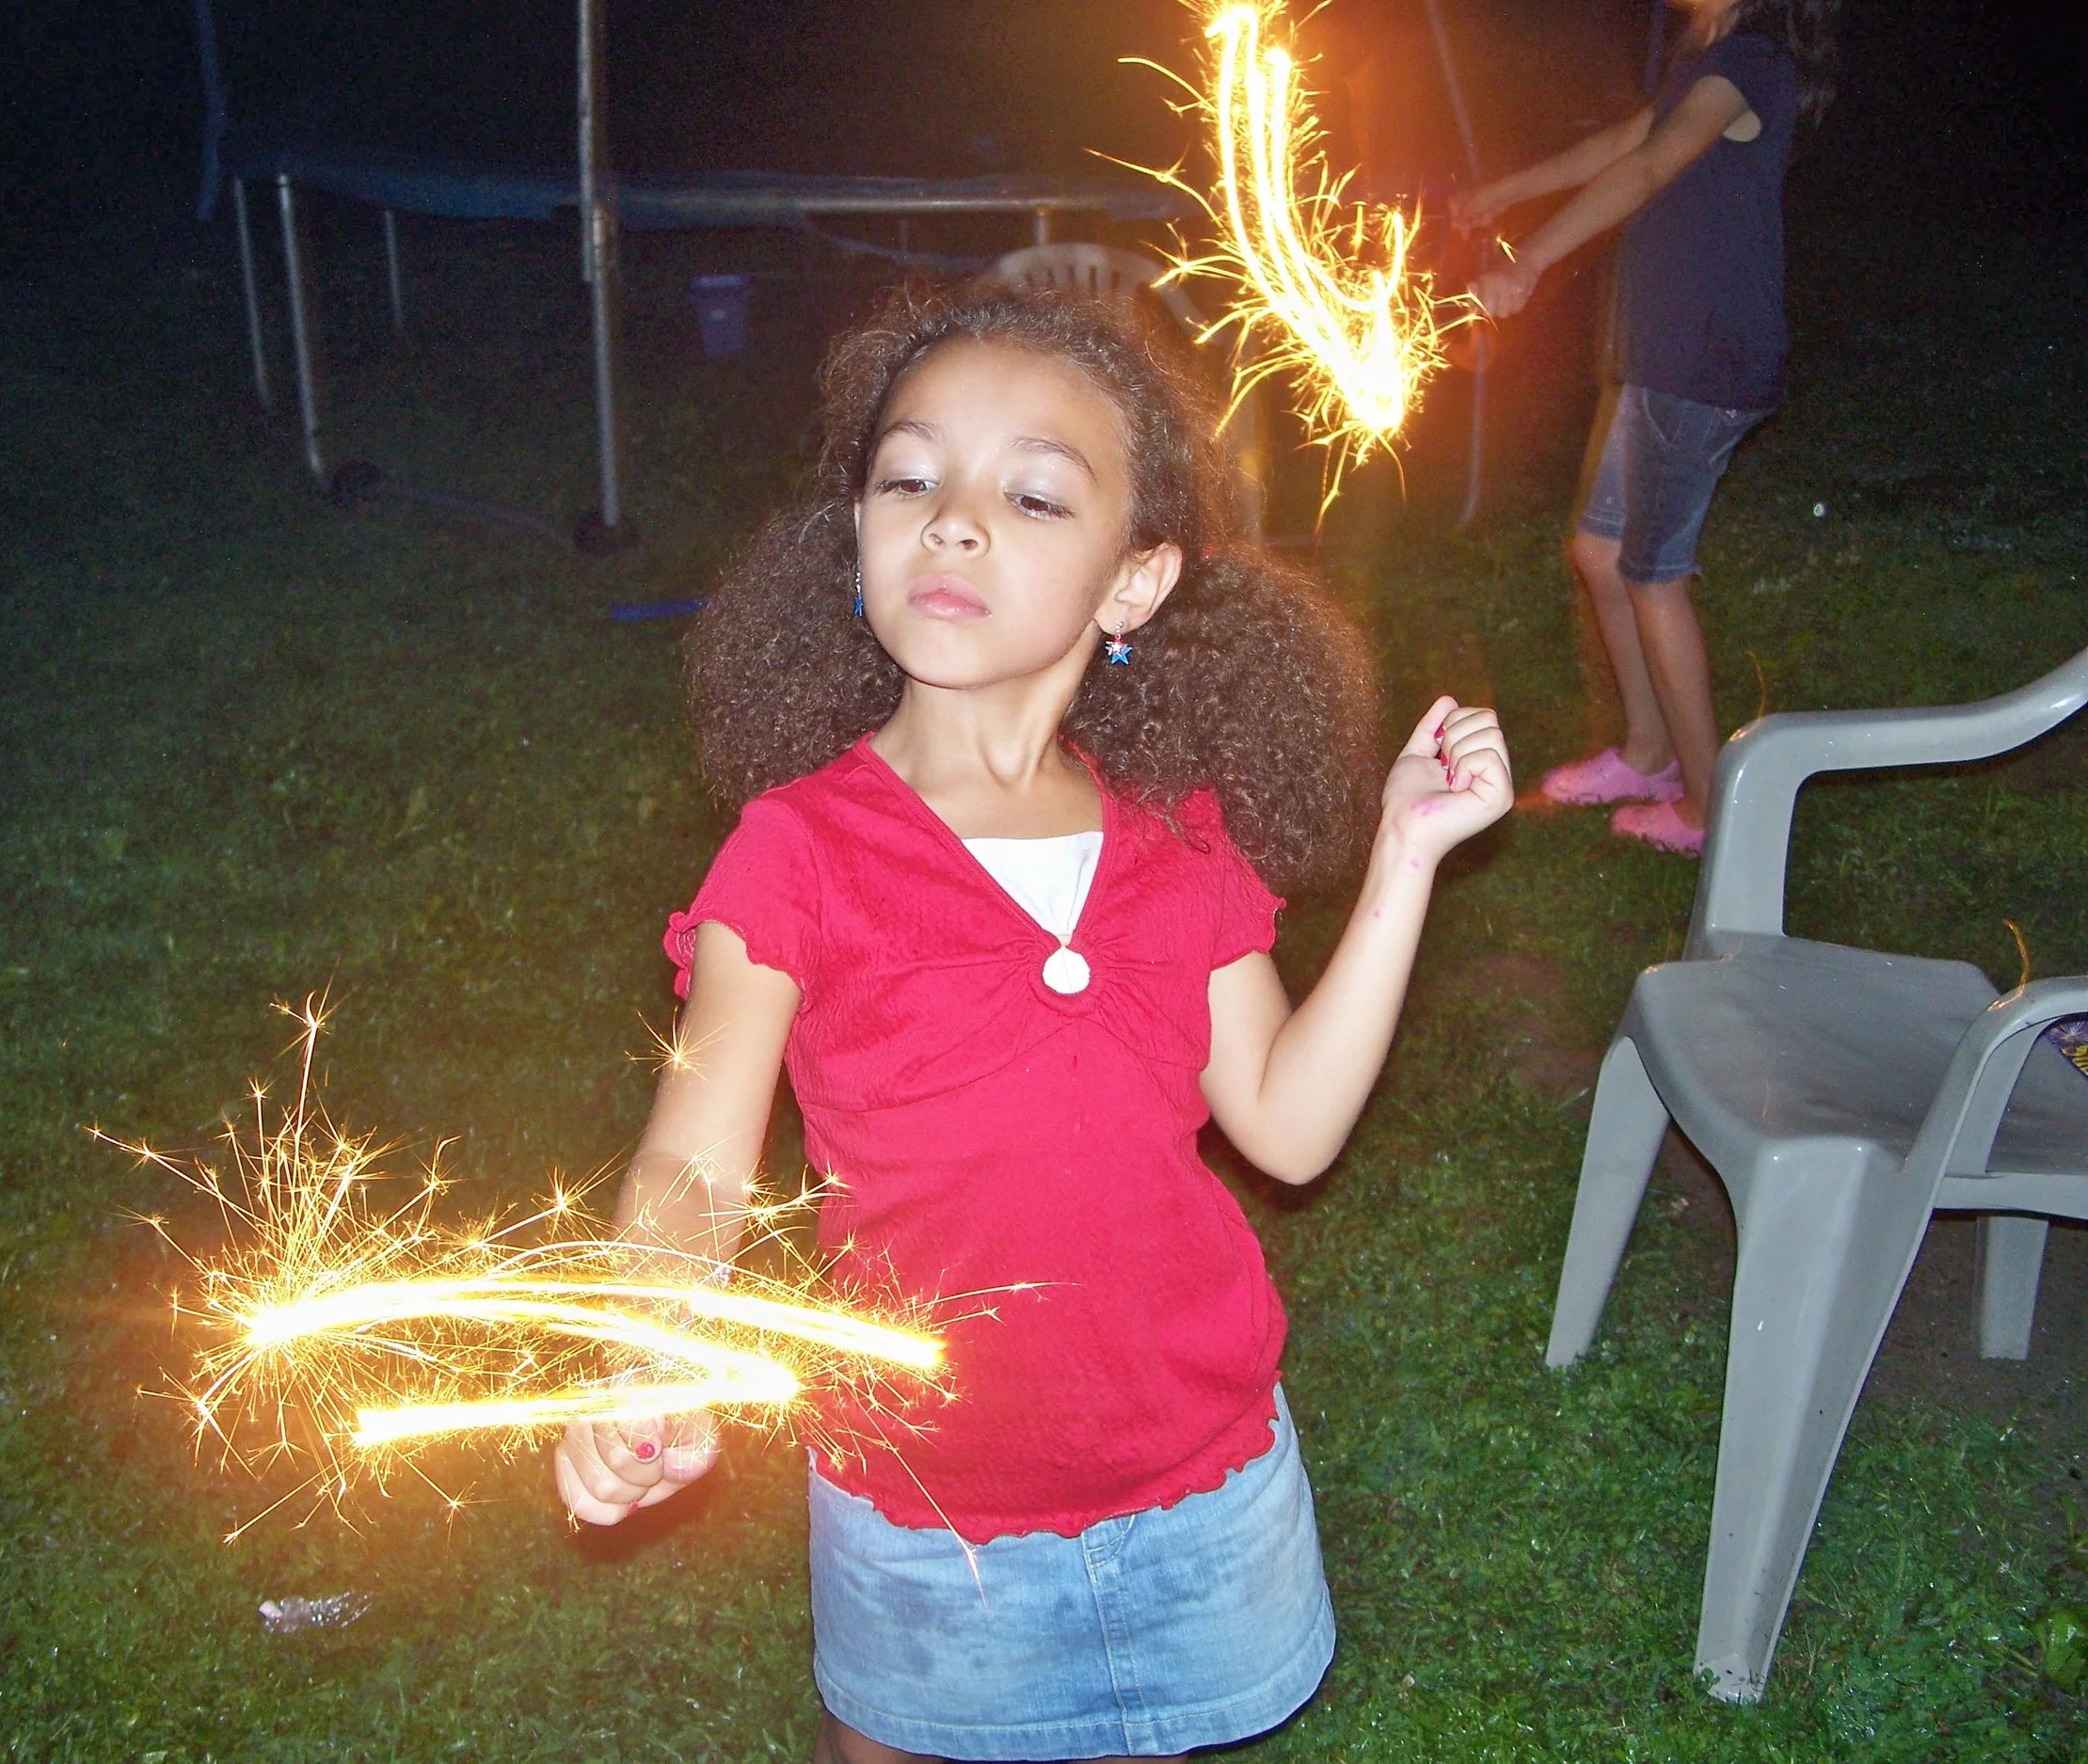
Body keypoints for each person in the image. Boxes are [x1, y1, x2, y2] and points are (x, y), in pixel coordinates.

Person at [551, 280, 1514, 1763]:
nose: (953, 520)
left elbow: (1290, 1123)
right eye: (911, 477)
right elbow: (696, 1170)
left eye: (1033, 495)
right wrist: (646, 1354)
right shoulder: (797, 853)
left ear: (1133, 582)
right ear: (856, 536)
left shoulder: (1179, 842)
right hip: (929, 1513)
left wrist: (1404, 858)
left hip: (1203, 1483)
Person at [1455, 0, 1841, 855]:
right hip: (1665, 355)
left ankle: (1712, 809)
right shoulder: (1700, 57)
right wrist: (1503, 194)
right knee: (1600, 553)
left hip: (1704, 361)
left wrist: (1531, 258)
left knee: (1653, 574)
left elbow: (1650, 169)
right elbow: (1620, 146)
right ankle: (1648, 753)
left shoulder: (1750, 62)